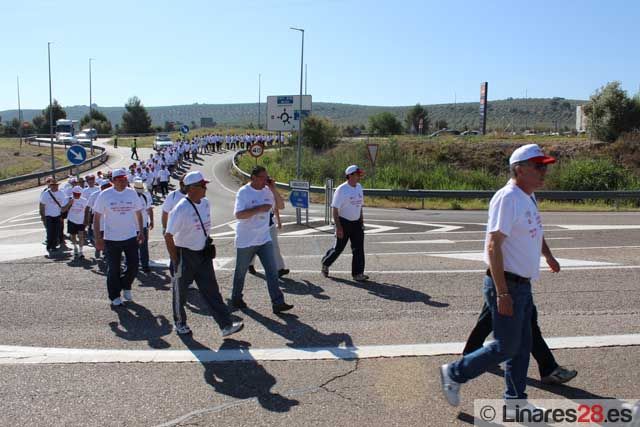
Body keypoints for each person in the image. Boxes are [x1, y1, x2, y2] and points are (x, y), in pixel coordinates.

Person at [439, 144, 558, 414]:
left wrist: (548, 256)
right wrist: (503, 293)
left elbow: (535, 232)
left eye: (545, 166)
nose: (544, 172)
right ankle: (455, 373)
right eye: (539, 166)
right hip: (507, 284)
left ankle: (515, 402)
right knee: (506, 346)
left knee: (523, 346)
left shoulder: (528, 197)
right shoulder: (508, 198)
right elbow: (493, 246)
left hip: (523, 285)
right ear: (520, 169)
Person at [164, 171, 244, 337]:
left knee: (212, 291)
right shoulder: (181, 209)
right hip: (184, 255)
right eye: (202, 185)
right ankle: (180, 323)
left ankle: (226, 325)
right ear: (191, 188)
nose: (205, 188)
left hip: (202, 254)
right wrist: (175, 259)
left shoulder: (206, 203)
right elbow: (168, 234)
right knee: (180, 292)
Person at [463, 301, 578, 385]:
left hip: (514, 280)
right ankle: (549, 369)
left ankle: (471, 352)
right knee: (527, 322)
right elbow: (497, 266)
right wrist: (503, 292)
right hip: (511, 281)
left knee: (494, 312)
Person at [230, 165, 293, 314]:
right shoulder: (244, 192)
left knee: (272, 272)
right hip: (246, 240)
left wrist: (274, 189)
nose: (266, 179)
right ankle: (236, 298)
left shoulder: (267, 190)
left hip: (264, 238)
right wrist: (259, 208)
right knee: (240, 272)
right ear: (254, 178)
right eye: (263, 177)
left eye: (267, 177)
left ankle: (278, 303)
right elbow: (239, 215)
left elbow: (281, 205)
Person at [93, 168, 145, 306]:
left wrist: (141, 231)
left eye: (125, 179)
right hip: (111, 238)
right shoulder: (105, 195)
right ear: (113, 181)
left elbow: (138, 213)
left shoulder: (132, 193)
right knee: (114, 269)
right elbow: (97, 217)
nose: (123, 182)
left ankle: (126, 285)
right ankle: (114, 296)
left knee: (134, 266)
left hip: (130, 236)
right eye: (120, 180)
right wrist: (98, 238)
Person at [321, 164, 368, 282]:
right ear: (350, 175)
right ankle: (326, 263)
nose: (359, 176)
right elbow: (335, 209)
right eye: (357, 174)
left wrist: (361, 221)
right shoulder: (341, 189)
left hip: (356, 223)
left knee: (358, 249)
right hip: (343, 222)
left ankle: (358, 273)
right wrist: (338, 227)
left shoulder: (359, 187)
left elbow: (360, 206)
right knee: (338, 248)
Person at [247, 205, 289, 278]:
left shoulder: (271, 194)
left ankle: (279, 269)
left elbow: (276, 207)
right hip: (257, 227)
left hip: (270, 226)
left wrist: (279, 221)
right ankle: (250, 265)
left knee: (275, 246)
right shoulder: (254, 195)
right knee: (255, 246)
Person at [39, 177, 71, 256]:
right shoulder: (46, 193)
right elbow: (42, 205)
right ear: (50, 185)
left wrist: (70, 203)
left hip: (57, 215)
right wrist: (42, 216)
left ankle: (53, 246)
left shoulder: (61, 193)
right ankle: (49, 246)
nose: (54, 186)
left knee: (56, 232)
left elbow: (63, 207)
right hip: (48, 216)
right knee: (50, 232)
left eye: (55, 185)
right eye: (52, 185)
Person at [133, 180, 154, 273]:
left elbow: (149, 209)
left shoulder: (145, 196)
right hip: (132, 226)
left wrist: (152, 220)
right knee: (132, 247)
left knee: (144, 246)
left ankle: (145, 265)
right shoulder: (130, 198)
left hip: (143, 225)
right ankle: (133, 265)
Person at [67, 186, 89, 258]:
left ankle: (81, 251)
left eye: (78, 194)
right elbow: (63, 210)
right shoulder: (69, 199)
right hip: (71, 220)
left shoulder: (84, 200)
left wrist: (86, 221)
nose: (76, 195)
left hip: (81, 220)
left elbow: (87, 211)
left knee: (81, 236)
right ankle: (75, 247)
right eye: (75, 194)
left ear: (81, 194)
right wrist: (69, 203)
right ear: (73, 193)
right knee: (73, 236)